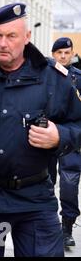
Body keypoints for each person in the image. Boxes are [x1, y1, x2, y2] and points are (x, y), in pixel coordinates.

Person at [0, 3, 81, 257]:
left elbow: (78, 124)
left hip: (34, 198)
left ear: (26, 37)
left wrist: (60, 136)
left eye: (11, 36)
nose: (3, 43)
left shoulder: (54, 79)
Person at [50, 37, 81, 248]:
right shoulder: (45, 74)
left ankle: (67, 227)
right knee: (44, 182)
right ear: (53, 54)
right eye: (59, 52)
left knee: (69, 184)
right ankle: (48, 225)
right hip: (47, 135)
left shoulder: (79, 77)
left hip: (70, 138)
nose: (63, 56)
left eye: (67, 52)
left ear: (72, 54)